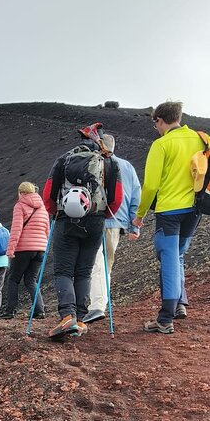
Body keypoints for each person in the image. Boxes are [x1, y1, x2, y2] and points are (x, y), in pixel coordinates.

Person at [42, 122, 122, 338]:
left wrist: (55, 213)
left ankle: (67, 316)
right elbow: (116, 199)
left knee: (63, 270)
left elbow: (49, 194)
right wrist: (101, 215)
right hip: (95, 220)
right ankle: (78, 318)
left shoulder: (64, 158)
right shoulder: (110, 163)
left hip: (65, 219)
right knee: (84, 270)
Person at [133, 101, 204, 334]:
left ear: (159, 120)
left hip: (170, 211)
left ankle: (165, 319)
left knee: (169, 258)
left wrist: (140, 215)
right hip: (195, 209)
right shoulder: (202, 139)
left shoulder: (162, 144)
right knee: (179, 255)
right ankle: (180, 305)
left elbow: (151, 185)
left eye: (156, 124)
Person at [84, 135, 141, 324]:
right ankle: (100, 303)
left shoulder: (95, 164)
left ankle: (97, 306)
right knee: (106, 263)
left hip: (96, 220)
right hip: (117, 223)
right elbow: (135, 197)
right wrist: (134, 226)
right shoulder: (127, 167)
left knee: (96, 263)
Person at [1, 182, 49, 320]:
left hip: (24, 249)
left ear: (21, 193)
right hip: (40, 249)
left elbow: (16, 229)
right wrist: (44, 247)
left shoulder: (20, 205)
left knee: (13, 279)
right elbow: (47, 230)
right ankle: (40, 311)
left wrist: (10, 250)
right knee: (31, 280)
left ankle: (10, 311)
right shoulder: (43, 207)